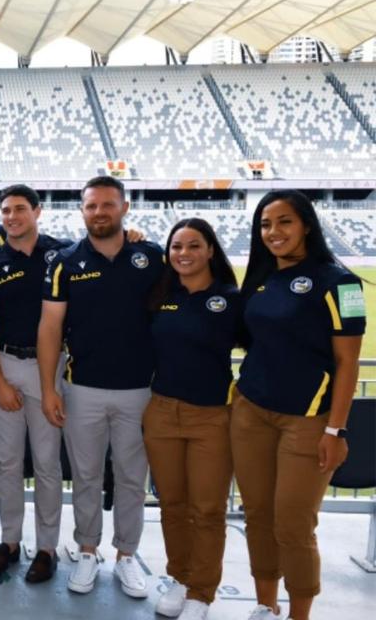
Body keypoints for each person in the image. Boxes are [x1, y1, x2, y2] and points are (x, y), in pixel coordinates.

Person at [233, 190, 364, 620]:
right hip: (251, 413)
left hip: (308, 422)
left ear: (306, 224)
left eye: (284, 221)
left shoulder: (342, 283)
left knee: (293, 524)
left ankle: (299, 614)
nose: (274, 232)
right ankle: (265, 606)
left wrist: (335, 429)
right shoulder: (261, 277)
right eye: (266, 225)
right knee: (257, 515)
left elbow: (348, 362)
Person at [38, 175, 164, 599]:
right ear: (82, 211)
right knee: (87, 476)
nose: (99, 212)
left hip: (139, 391)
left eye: (108, 205)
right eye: (91, 206)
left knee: (132, 478)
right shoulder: (65, 261)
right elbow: (50, 327)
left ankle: (127, 555)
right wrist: (50, 389)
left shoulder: (151, 256)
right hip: (84, 389)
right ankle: (88, 549)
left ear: (124, 208)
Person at [143, 219, 241, 620]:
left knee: (208, 509)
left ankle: (201, 591)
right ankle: (179, 579)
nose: (183, 254)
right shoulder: (162, 296)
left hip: (212, 417)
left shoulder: (231, 300)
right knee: (172, 505)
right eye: (176, 247)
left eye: (193, 246)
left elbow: (267, 346)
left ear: (210, 250)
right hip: (163, 412)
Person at [0, 184, 71, 583]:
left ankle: (46, 547)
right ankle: (9, 541)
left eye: (19, 209)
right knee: (7, 462)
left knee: (47, 464)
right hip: (7, 365)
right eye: (6, 211)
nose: (11, 217)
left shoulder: (63, 254)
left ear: (37, 211)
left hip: (52, 370)